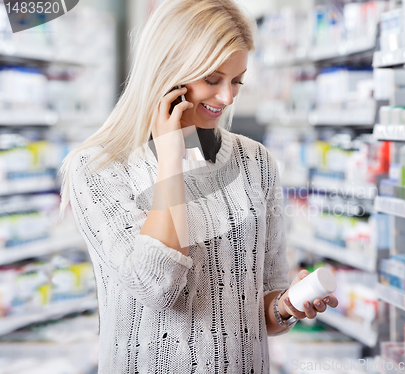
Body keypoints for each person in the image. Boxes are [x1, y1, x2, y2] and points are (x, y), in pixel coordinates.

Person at [57, 1, 338, 373]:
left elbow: (262, 312)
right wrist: (172, 160)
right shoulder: (98, 168)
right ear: (168, 73)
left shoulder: (257, 162)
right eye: (212, 80)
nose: (227, 97)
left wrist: (285, 306)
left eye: (237, 80)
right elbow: (156, 287)